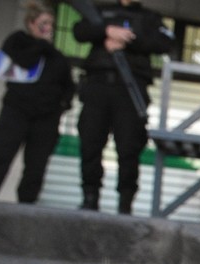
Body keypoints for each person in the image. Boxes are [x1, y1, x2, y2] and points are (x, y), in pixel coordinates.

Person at [73, 0, 173, 214]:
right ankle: (90, 197)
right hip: (98, 85)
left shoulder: (150, 18)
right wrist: (106, 31)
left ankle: (125, 203)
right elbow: (80, 31)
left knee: (129, 146)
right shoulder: (101, 10)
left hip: (130, 88)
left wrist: (128, 38)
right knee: (90, 142)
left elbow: (166, 42)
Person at [0, 1, 74, 204]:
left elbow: (68, 86)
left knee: (36, 167)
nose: (48, 29)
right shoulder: (17, 41)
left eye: (51, 24)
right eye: (44, 23)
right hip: (16, 112)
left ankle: (26, 208)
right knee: (0, 157)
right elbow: (24, 61)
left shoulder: (57, 57)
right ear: (32, 23)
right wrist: (41, 45)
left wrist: (61, 106)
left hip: (45, 119)